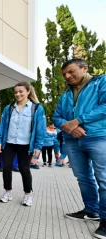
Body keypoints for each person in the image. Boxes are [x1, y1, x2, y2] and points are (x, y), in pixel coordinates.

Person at [53, 58, 106, 238]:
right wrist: (69, 127)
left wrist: (78, 121)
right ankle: (91, 210)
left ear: (84, 68)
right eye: (64, 74)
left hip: (99, 136)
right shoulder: (65, 95)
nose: (67, 76)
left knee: (104, 178)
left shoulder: (101, 82)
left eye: (71, 72)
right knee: (83, 177)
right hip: (72, 140)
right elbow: (57, 117)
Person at [0, 82, 46, 207]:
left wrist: (37, 146)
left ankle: (28, 195)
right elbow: (2, 126)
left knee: (24, 169)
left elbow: (40, 128)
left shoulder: (36, 108)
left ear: (28, 91)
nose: (17, 94)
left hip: (26, 144)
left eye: (20, 91)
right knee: (6, 167)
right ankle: (7, 192)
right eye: (15, 92)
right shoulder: (9, 108)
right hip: (9, 142)